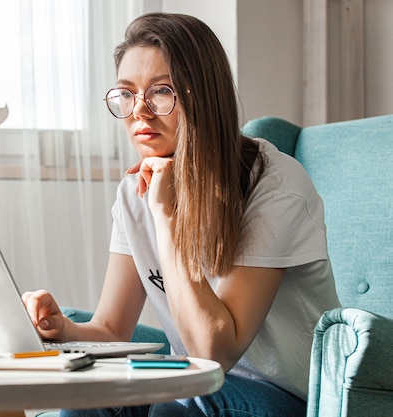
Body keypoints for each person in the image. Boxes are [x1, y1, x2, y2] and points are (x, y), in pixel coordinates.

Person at [22, 12, 340, 417]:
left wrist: (165, 212)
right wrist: (59, 330)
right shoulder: (133, 192)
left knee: (175, 408)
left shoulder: (273, 186)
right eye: (126, 93)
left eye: (160, 91)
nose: (139, 110)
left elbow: (214, 350)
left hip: (287, 397)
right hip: (189, 383)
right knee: (82, 405)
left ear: (201, 96)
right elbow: (110, 331)